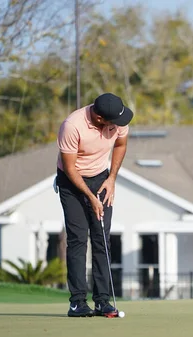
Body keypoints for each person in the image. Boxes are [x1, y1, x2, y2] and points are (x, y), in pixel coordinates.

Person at [55, 93, 134, 317]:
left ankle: (102, 301)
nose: (119, 124)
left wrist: (112, 179)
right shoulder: (72, 126)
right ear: (100, 118)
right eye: (114, 122)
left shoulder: (118, 121)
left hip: (101, 177)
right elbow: (70, 168)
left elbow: (121, 144)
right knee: (78, 239)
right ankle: (77, 303)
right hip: (72, 182)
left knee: (101, 238)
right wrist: (90, 197)